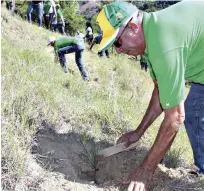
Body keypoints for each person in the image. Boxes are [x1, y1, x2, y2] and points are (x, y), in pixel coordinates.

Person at [97, 1, 204, 191]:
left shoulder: (163, 44)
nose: (118, 50)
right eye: (114, 46)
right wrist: (139, 132)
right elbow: (162, 92)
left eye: (118, 42)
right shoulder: (151, 36)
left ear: (132, 26)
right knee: (195, 112)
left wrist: (146, 170)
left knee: (189, 113)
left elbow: (174, 119)